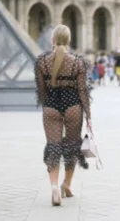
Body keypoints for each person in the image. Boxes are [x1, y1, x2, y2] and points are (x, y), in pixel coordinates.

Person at [34, 25, 93, 206]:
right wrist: (89, 116)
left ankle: (53, 186)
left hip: (51, 106)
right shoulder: (77, 62)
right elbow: (83, 91)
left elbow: (41, 91)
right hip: (73, 106)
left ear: (53, 40)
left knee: (53, 147)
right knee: (71, 147)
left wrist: (49, 104)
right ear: (69, 41)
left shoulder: (42, 62)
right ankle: (66, 184)